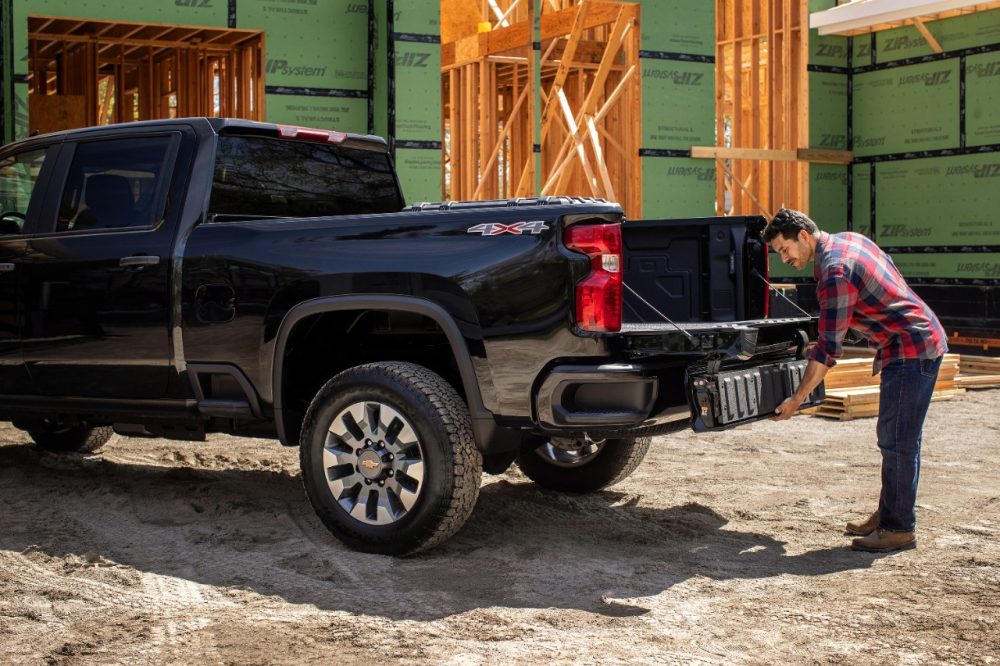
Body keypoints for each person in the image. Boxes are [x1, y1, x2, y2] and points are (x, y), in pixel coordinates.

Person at [763, 209, 948, 553]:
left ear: (803, 235)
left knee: (897, 440)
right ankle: (891, 511)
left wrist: (798, 398)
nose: (784, 258)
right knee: (896, 437)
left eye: (784, 249)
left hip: (912, 349)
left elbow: (828, 350)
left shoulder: (833, 273)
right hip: (912, 341)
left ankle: (899, 528)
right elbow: (888, 270)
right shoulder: (849, 241)